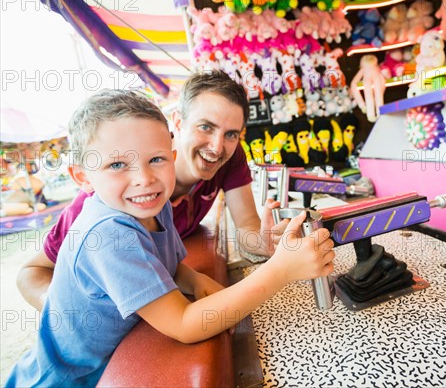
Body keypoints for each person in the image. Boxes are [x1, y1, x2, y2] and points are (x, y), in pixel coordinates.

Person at [6, 90, 335, 387]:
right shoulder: (108, 234)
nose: (144, 179)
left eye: (156, 159)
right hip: (67, 379)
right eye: (118, 164)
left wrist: (196, 281)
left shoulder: (154, 203)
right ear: (82, 176)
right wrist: (281, 270)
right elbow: (184, 323)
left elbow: (171, 266)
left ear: (171, 156)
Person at [17, 70, 284, 311]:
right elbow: (32, 271)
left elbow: (247, 222)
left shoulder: (230, 156)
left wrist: (262, 242)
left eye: (231, 134)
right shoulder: (104, 201)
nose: (217, 146)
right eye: (205, 127)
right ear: (178, 122)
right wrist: (71, 313)